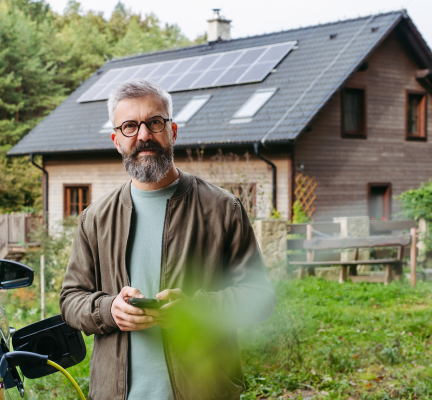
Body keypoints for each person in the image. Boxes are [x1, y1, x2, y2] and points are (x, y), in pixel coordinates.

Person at [59, 78, 276, 400]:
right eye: (130, 126)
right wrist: (109, 310)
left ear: (172, 131)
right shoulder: (95, 218)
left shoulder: (222, 208)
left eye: (154, 122)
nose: (144, 135)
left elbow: (259, 297)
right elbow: (71, 299)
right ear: (116, 140)